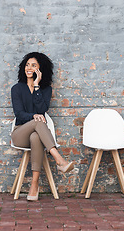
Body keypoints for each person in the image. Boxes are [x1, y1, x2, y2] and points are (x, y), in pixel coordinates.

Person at [11, 52, 74, 201]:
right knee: (39, 121)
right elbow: (19, 114)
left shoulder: (46, 90)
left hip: (35, 135)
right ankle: (59, 159)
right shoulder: (17, 89)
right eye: (27, 65)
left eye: (33, 65)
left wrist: (37, 86)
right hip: (19, 133)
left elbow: (42, 110)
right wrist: (33, 116)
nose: (29, 68)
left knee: (36, 137)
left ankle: (34, 184)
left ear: (40, 70)